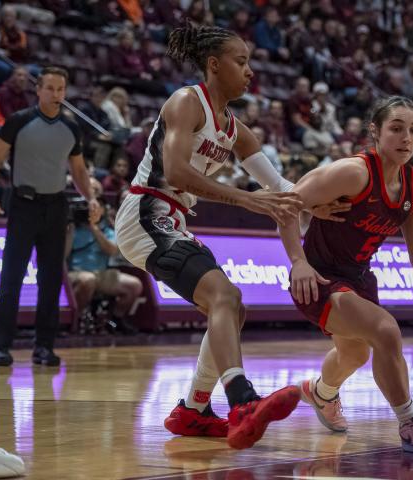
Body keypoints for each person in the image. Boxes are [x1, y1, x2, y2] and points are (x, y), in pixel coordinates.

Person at [114, 24, 346, 450]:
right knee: (222, 295)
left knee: (233, 306)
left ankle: (194, 409)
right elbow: (178, 171)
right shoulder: (187, 102)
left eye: (251, 62)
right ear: (214, 65)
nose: (250, 71)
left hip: (173, 219)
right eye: (241, 62)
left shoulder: (236, 131)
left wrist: (314, 205)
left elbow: (280, 187)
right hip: (146, 211)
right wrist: (247, 200)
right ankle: (242, 402)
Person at [277, 96, 413, 454]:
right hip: (317, 277)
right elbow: (285, 205)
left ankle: (321, 393)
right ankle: (410, 424)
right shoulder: (353, 172)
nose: (406, 138)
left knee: (355, 356)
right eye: (396, 128)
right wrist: (297, 262)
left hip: (358, 278)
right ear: (375, 131)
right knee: (385, 330)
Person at [0, 66, 98, 367]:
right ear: (38, 90)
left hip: (56, 207)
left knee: (51, 280)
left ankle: (44, 347)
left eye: (60, 89)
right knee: (11, 277)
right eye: (49, 88)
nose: (55, 94)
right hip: (23, 206)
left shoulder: (71, 128)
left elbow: (77, 170)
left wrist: (91, 198)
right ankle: (1, 345)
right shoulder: (19, 121)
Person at [66, 197, 142, 334]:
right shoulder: (72, 229)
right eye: (89, 208)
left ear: (102, 211)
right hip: (75, 273)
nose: (91, 210)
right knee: (88, 280)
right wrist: (70, 230)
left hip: (101, 273)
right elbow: (63, 255)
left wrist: (94, 228)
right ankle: (73, 320)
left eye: (95, 208)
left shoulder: (107, 231)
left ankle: (115, 320)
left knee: (134, 285)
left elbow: (112, 250)